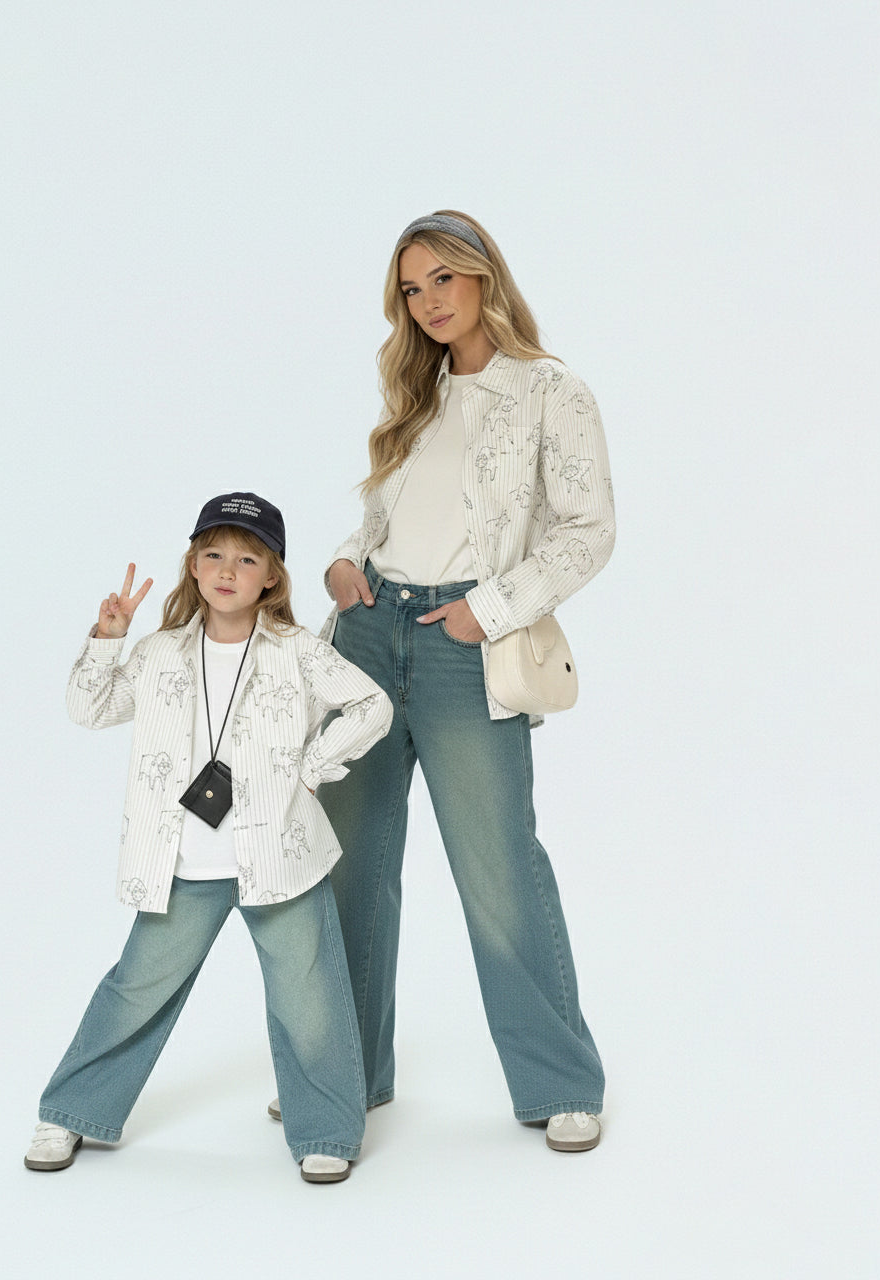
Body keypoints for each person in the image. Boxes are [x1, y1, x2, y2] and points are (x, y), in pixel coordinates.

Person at [312, 211, 615, 1152]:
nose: (429, 302)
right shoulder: (417, 392)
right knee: (349, 867)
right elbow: (391, 519)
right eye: (412, 289)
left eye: (443, 278)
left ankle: (559, 1082)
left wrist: (491, 608)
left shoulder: (550, 391)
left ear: (484, 275)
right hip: (368, 635)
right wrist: (344, 563)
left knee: (499, 870)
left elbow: (589, 530)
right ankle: (343, 1081)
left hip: (464, 644)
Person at [26, 492, 392, 1183]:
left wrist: (313, 766)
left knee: (308, 998)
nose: (228, 570)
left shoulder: (297, 651)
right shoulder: (159, 652)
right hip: (183, 863)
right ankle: (72, 1111)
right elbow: (87, 708)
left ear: (271, 577)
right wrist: (107, 637)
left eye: (247, 559)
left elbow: (372, 704)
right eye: (214, 554)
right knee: (134, 989)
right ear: (193, 566)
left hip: (279, 858)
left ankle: (326, 1129)